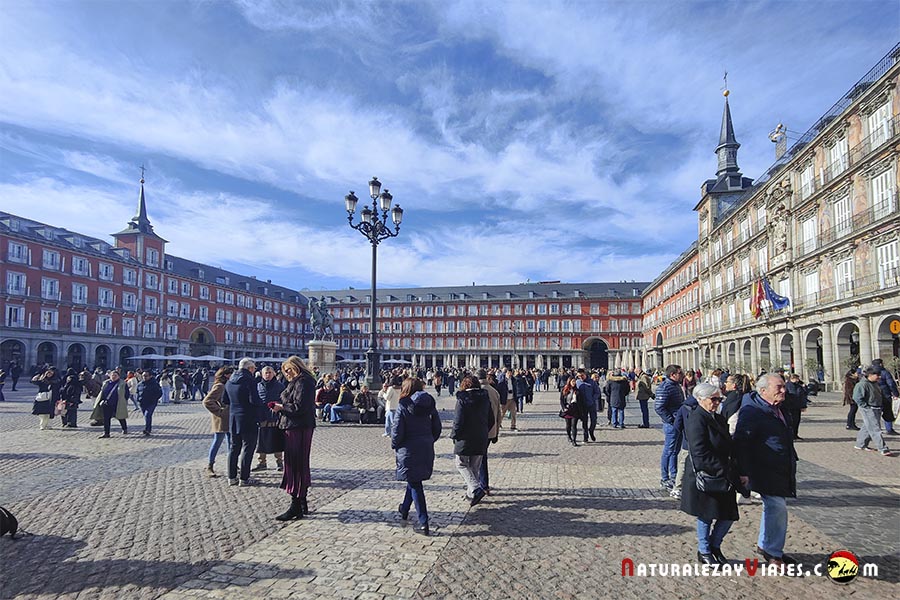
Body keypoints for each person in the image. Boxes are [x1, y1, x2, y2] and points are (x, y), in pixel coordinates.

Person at [733, 373, 799, 565]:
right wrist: (743, 471)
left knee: (774, 506)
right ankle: (772, 552)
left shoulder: (780, 407)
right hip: (763, 466)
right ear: (763, 391)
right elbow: (741, 442)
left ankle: (766, 544)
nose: (783, 391)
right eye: (778, 387)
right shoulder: (752, 411)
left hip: (781, 465)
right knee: (777, 506)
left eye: (784, 386)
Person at [680, 383, 745, 566]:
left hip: (724, 472)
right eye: (713, 399)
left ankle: (715, 545)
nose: (717, 402)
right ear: (701, 400)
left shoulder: (718, 418)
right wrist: (722, 470)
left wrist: (737, 468)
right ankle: (704, 550)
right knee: (706, 514)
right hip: (707, 474)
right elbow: (699, 452)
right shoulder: (696, 419)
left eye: (719, 399)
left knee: (728, 514)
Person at [392, 377, 442, 535]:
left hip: (409, 448)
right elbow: (437, 426)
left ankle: (423, 521)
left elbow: (397, 429)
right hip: (425, 446)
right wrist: (429, 439)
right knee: (413, 480)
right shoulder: (429, 404)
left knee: (415, 484)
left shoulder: (404, 404)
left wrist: (395, 444)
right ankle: (404, 509)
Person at [271, 356, 317, 521]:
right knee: (298, 463)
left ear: (297, 366)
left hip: (298, 427)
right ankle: (302, 502)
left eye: (289, 369)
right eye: (284, 370)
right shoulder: (299, 381)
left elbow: (299, 407)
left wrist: (281, 407)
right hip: (296, 426)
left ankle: (295, 505)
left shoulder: (303, 382)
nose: (286, 373)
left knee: (295, 464)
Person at [451, 375, 494, 506]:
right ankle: (471, 494)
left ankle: (475, 489)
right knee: (475, 466)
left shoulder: (462, 399)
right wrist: (483, 431)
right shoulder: (485, 398)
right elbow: (491, 419)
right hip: (481, 437)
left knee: (461, 464)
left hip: (465, 438)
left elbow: (458, 421)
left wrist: (454, 435)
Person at [226, 358, 263, 486]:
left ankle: (231, 477)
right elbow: (254, 400)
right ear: (249, 369)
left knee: (234, 448)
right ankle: (244, 478)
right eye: (253, 369)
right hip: (248, 418)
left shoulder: (230, 380)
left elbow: (224, 400)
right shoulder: (249, 381)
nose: (254, 371)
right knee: (248, 448)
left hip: (233, 418)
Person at [655, 365, 686, 492]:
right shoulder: (665, 387)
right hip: (671, 424)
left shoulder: (676, 385)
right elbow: (659, 407)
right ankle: (665, 478)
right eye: (680, 373)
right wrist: (672, 420)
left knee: (675, 451)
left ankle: (673, 475)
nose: (682, 375)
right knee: (668, 450)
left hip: (678, 422)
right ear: (672, 374)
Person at [202, 366, 234, 477]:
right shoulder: (220, 386)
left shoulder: (228, 385)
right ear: (226, 375)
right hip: (221, 419)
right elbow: (207, 401)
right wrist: (220, 411)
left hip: (230, 418)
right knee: (217, 442)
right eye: (231, 373)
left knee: (231, 443)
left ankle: (232, 464)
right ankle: (210, 465)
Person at [852, 367, 892, 456]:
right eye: (877, 375)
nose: (879, 377)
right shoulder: (862, 385)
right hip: (869, 408)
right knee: (875, 429)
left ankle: (860, 444)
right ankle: (883, 448)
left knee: (867, 426)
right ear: (870, 375)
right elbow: (857, 397)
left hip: (877, 407)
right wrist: (866, 406)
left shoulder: (875, 384)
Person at [255, 366, 285, 471]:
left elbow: (284, 400)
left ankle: (279, 462)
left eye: (270, 373)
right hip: (262, 416)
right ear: (262, 374)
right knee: (261, 439)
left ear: (274, 374)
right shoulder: (258, 386)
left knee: (276, 438)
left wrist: (278, 405)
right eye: (266, 373)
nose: (268, 375)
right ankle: (262, 462)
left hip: (275, 415)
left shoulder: (280, 386)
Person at [477, 369, 502, 494]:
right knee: (482, 456)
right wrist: (496, 430)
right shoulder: (494, 391)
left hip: (477, 430)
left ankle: (479, 485)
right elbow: (499, 413)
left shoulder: (477, 391)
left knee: (476, 458)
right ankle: (484, 484)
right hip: (491, 429)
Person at [94, 371, 130, 438]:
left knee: (120, 417)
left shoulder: (122, 383)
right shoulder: (106, 383)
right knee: (106, 419)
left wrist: (123, 400)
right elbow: (102, 392)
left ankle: (124, 428)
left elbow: (127, 394)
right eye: (112, 375)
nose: (113, 377)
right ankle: (106, 433)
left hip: (117, 404)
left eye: (115, 375)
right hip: (107, 404)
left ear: (118, 376)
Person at [870, 358, 899, 435]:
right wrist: (896, 394)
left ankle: (876, 429)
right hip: (885, 395)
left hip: (874, 395)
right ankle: (889, 429)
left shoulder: (870, 372)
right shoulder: (885, 372)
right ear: (880, 364)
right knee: (888, 412)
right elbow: (891, 384)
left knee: (875, 412)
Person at [575, 368, 600, 441]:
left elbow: (597, 392)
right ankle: (585, 437)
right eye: (579, 376)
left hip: (591, 404)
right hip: (583, 405)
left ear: (585, 374)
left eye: (582, 375)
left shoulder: (592, 382)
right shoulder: (577, 382)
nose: (581, 377)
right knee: (584, 421)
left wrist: (593, 399)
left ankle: (591, 431)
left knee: (594, 420)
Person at [136, 370, 162, 436]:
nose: (144, 377)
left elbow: (159, 393)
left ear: (150, 376)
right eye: (143, 376)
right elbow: (137, 392)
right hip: (142, 403)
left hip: (151, 403)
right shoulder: (140, 384)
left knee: (148, 415)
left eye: (146, 376)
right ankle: (147, 427)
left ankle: (147, 429)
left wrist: (154, 399)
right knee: (145, 416)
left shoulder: (154, 384)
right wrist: (138, 399)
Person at [559, 378, 584, 446]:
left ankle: (574, 440)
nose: (574, 382)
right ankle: (569, 436)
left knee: (574, 425)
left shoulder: (577, 390)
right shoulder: (565, 390)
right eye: (572, 381)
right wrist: (564, 408)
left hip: (575, 409)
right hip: (568, 409)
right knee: (568, 425)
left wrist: (581, 411)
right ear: (569, 382)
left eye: (575, 381)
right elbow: (561, 400)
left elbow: (580, 401)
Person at [784, 373, 808, 440]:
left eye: (798, 378)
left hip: (797, 406)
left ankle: (795, 435)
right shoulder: (787, 386)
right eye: (796, 378)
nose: (797, 380)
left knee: (797, 421)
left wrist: (803, 406)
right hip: (789, 407)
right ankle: (790, 435)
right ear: (792, 378)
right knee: (790, 422)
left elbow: (803, 395)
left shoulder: (799, 386)